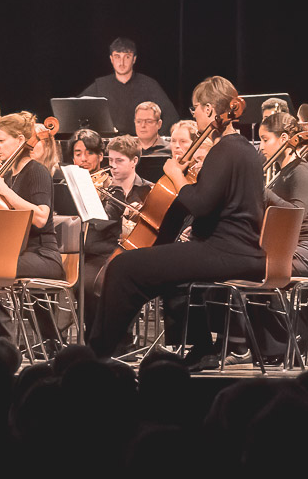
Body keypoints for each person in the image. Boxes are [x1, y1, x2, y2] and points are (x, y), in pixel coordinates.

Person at [88, 76, 265, 366]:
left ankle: (96, 354)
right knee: (169, 272)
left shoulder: (224, 150)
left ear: (209, 109)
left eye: (195, 108)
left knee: (122, 267)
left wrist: (177, 176)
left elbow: (202, 207)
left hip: (225, 251)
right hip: (241, 251)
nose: (193, 114)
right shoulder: (245, 149)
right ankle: (201, 348)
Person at [0, 115, 64, 343]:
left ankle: (3, 341)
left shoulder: (36, 171)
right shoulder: (9, 174)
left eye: (1, 140)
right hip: (20, 252)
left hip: (43, 255)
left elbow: (41, 217)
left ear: (21, 139)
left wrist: (6, 192)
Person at [82, 135, 149, 330]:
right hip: (100, 251)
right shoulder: (101, 188)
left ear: (134, 161)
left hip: (133, 253)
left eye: (119, 161)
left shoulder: (148, 190)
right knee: (86, 283)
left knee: (126, 282)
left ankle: (122, 339)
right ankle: (94, 336)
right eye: (110, 160)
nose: (113, 166)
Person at [259, 112, 308, 277]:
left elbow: (296, 215)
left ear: (283, 138)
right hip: (285, 248)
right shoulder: (284, 172)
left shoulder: (300, 170)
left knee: (247, 266)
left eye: (265, 140)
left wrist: (264, 193)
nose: (261, 146)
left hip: (303, 252)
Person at [79, 38, 178, 137]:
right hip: (109, 145)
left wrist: (154, 139)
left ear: (134, 59)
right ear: (111, 59)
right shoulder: (100, 85)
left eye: (127, 57)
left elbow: (171, 116)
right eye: (117, 57)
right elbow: (76, 108)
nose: (121, 63)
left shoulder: (149, 85)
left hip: (140, 145)